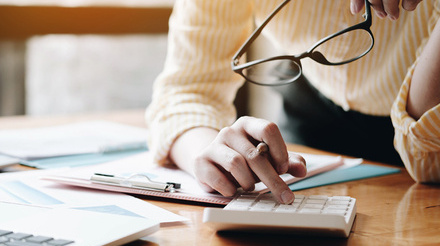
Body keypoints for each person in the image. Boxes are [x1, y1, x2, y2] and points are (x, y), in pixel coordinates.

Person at [146, 0, 440, 204]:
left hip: (422, 135)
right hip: (310, 126)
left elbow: (429, 162)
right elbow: (186, 92)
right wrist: (212, 154)